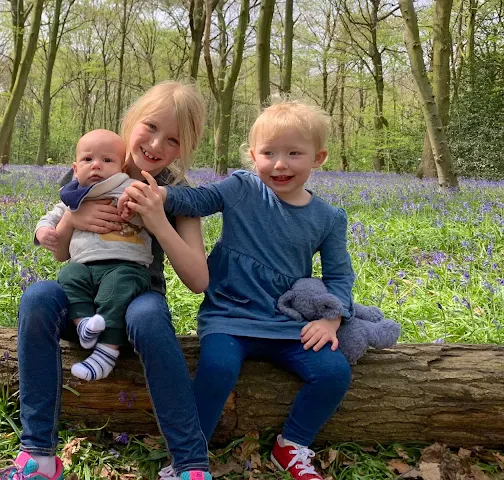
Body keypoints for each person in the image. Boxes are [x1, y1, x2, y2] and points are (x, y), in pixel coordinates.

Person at [0, 82, 212, 480]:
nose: (157, 144)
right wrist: (74, 220)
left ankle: (191, 465)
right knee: (37, 297)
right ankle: (38, 455)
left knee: (149, 319)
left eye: (173, 140)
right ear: (130, 122)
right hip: (80, 305)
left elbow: (198, 279)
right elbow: (59, 253)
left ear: (185, 148)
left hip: (136, 297)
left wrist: (158, 222)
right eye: (150, 127)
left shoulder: (179, 192)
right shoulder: (91, 162)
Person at [121, 101, 355, 480]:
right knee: (216, 367)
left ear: (319, 157)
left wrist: (332, 318)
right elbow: (197, 200)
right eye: (269, 153)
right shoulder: (242, 188)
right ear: (252, 155)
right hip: (228, 315)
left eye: (294, 153)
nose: (280, 165)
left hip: (285, 321)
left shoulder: (328, 218)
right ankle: (187, 457)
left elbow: (340, 276)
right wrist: (162, 197)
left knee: (334, 372)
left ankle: (292, 444)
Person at [35, 129, 153, 381]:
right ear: (76, 169)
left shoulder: (128, 188)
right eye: (88, 160)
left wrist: (136, 207)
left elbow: (152, 213)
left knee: (117, 289)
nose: (96, 165)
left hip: (125, 266)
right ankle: (84, 323)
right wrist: (43, 231)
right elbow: (52, 217)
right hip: (86, 267)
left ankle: (107, 352)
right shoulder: (73, 196)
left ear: (122, 167)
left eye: (107, 160)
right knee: (69, 274)